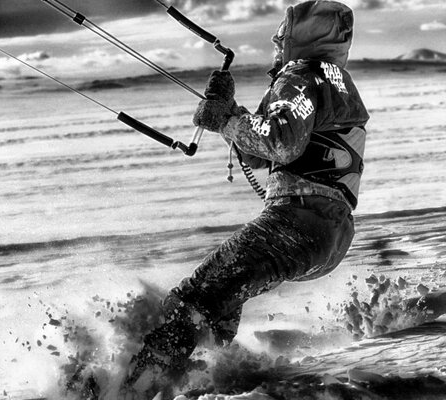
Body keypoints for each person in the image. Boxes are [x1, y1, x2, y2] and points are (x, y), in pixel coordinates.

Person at [124, 0, 369, 388]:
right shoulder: (335, 80)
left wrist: (225, 117)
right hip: (330, 235)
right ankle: (209, 379)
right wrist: (230, 113)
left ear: (302, 37)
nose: (276, 41)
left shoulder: (300, 75)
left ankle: (129, 387)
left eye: (282, 33)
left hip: (297, 222)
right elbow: (266, 155)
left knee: (192, 299)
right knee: (220, 303)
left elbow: (281, 143)